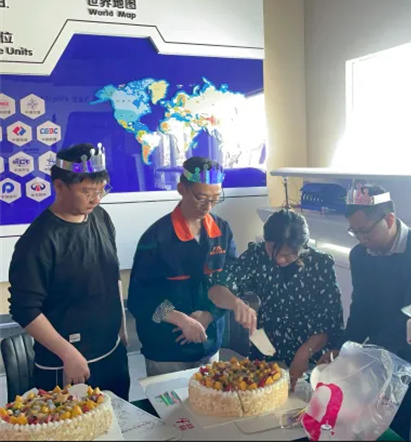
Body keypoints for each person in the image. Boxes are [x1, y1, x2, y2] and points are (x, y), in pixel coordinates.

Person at [318, 183, 411, 440]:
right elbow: (361, 308)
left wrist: (362, 354)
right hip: (388, 371)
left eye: (366, 231)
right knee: (390, 434)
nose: (361, 239)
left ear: (389, 219)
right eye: (355, 232)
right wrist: (343, 348)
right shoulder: (360, 255)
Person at [9, 143, 130, 399]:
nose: (96, 199)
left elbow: (112, 276)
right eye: (87, 192)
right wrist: (67, 353)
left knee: (120, 418)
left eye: (101, 190)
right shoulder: (38, 241)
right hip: (66, 365)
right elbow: (24, 309)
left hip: (112, 353)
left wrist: (121, 326)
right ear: (59, 186)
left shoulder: (101, 218)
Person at [128, 157, 254, 377]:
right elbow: (139, 299)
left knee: (211, 395)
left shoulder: (221, 230)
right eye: (201, 198)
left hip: (209, 343)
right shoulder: (157, 237)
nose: (208, 207)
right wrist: (180, 319)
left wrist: (215, 312)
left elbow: (228, 281)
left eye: (215, 199)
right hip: (166, 349)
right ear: (182, 189)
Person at [207, 209, 344, 387]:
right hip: (267, 354)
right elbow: (216, 289)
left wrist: (304, 352)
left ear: (302, 246)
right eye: (272, 249)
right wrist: (236, 303)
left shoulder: (320, 265)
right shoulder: (257, 256)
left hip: (311, 358)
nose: (279, 259)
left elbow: (330, 323)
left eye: (288, 254)